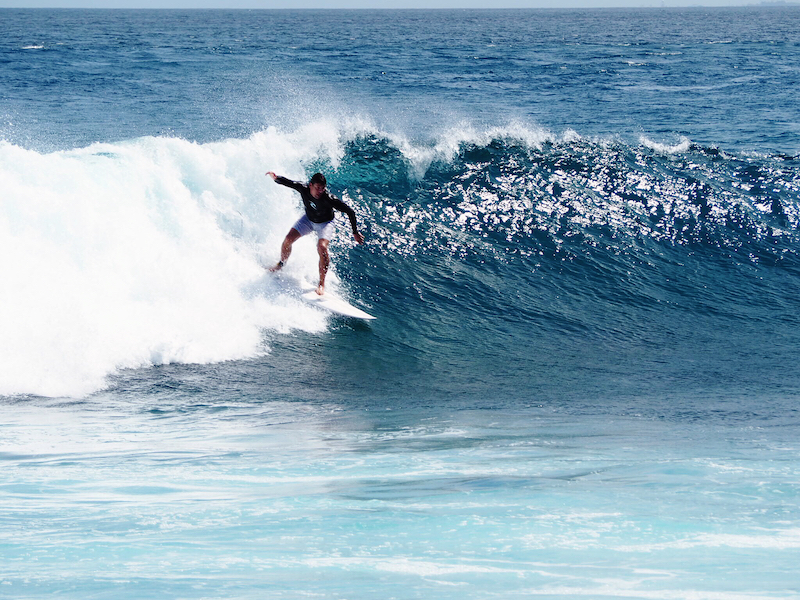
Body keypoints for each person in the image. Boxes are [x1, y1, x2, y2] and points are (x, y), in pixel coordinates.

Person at [266, 171, 364, 295]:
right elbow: (288, 183)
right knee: (288, 239)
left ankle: (321, 284)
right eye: (317, 188)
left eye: (322, 189)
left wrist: (355, 232)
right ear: (310, 185)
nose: (320, 192)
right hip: (308, 219)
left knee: (322, 248)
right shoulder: (303, 188)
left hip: (325, 223)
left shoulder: (329, 199)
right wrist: (275, 178)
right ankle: (281, 264)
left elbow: (350, 212)